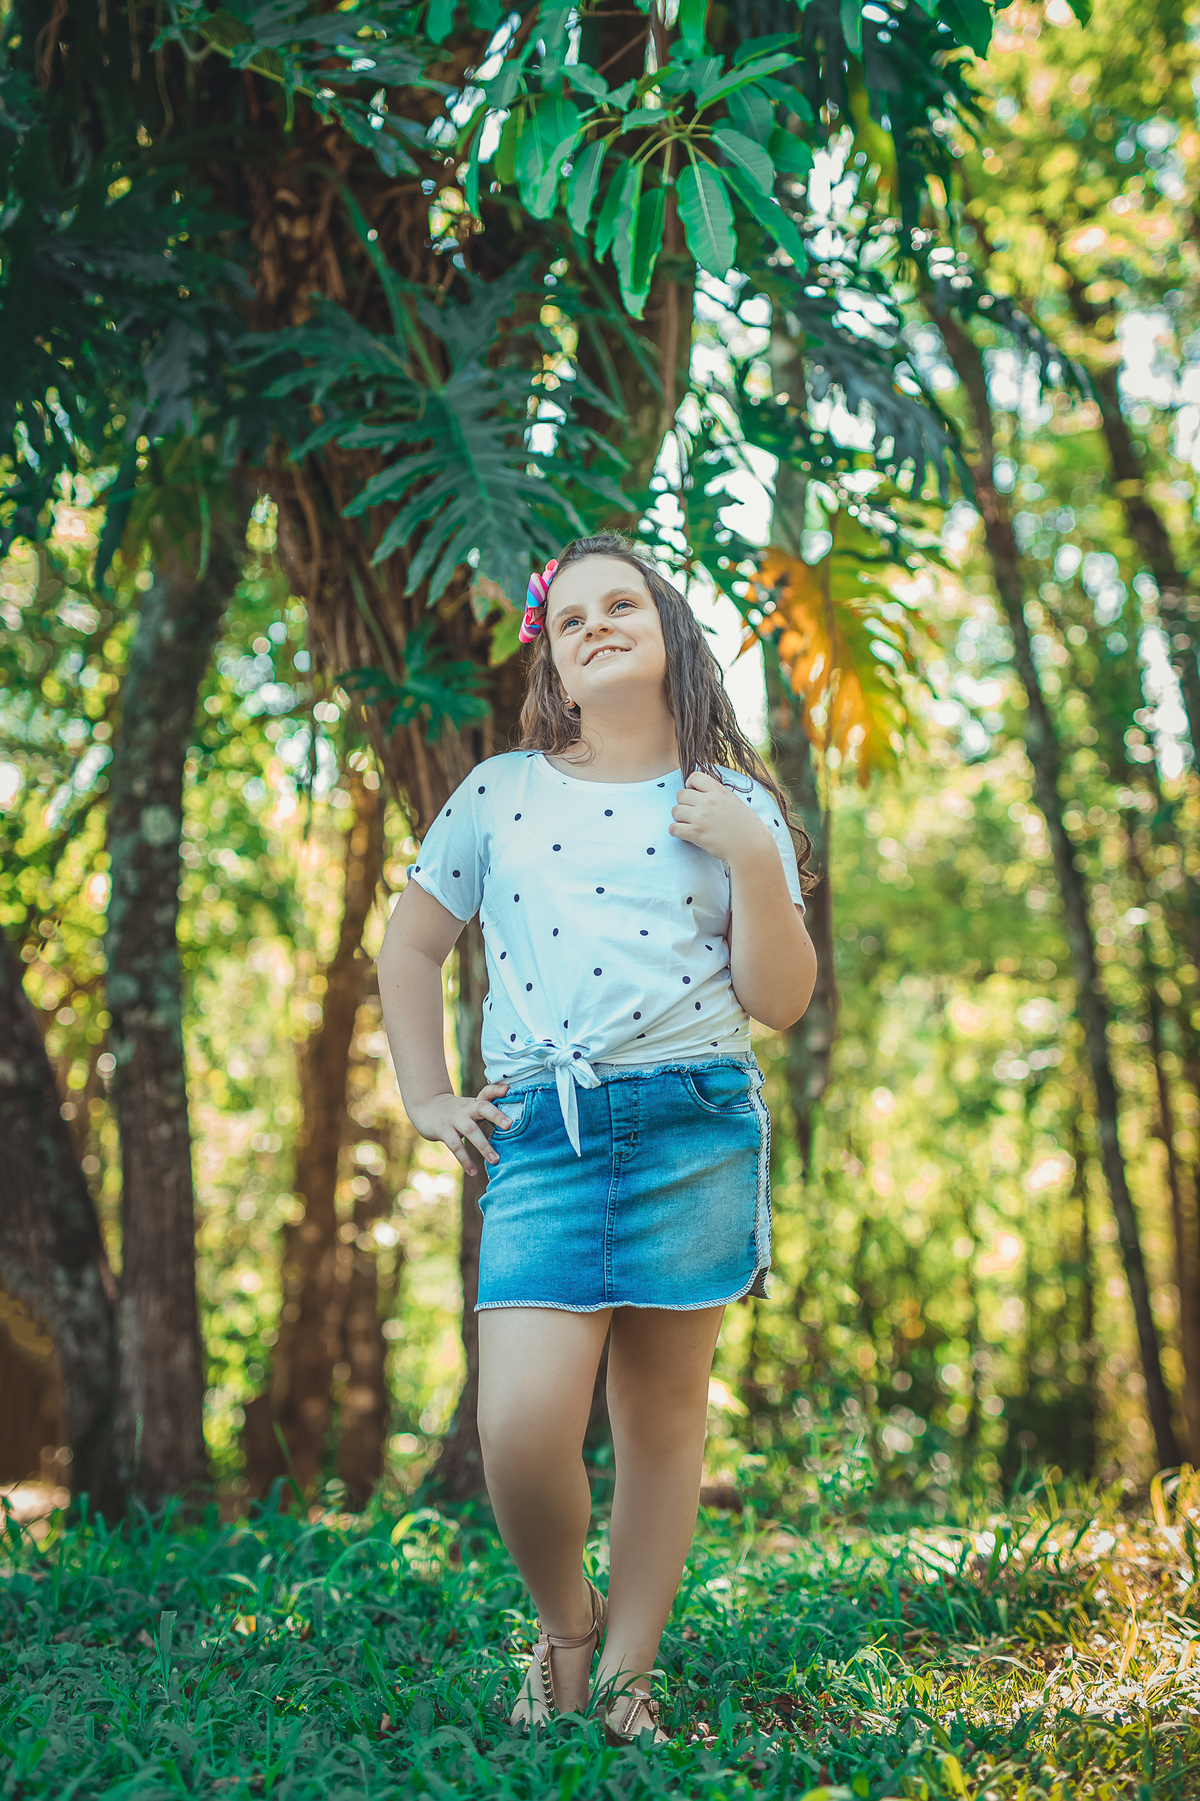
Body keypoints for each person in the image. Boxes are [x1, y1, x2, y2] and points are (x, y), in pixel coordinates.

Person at [377, 532, 817, 1744]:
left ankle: (627, 1677)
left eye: (621, 603)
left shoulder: (738, 805)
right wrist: (427, 1095)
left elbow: (781, 999)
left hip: (694, 1125)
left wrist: (752, 860)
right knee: (520, 1427)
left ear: (671, 630)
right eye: (570, 619)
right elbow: (410, 947)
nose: (596, 625)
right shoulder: (499, 793)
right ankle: (567, 1628)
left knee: (662, 1424)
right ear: (553, 666)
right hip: (544, 1135)